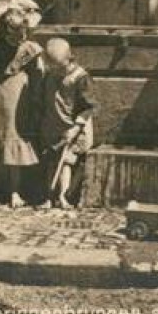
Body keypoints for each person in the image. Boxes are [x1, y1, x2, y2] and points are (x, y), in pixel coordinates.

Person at [0, 7, 43, 208]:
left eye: (21, 32)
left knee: (13, 141)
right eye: (14, 33)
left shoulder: (29, 48)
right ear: (4, 30)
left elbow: (38, 75)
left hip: (17, 98)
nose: (18, 38)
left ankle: (13, 192)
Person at [39, 38, 96, 210]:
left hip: (73, 127)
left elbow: (88, 107)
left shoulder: (80, 78)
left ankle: (63, 196)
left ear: (69, 59)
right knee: (51, 161)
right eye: (52, 67)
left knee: (66, 161)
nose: (56, 71)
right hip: (52, 126)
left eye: (59, 67)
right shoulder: (50, 75)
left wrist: (76, 128)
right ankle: (49, 196)